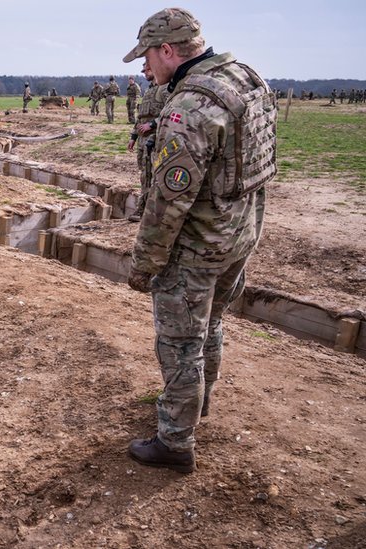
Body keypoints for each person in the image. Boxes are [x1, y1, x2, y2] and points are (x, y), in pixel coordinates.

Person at [123, 7, 276, 473]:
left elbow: (169, 200)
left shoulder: (189, 106)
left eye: (148, 55)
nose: (145, 65)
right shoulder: (246, 79)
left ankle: (175, 442)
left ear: (168, 50)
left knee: (180, 343)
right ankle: (198, 404)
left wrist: (144, 263)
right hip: (240, 235)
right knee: (211, 325)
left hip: (197, 245)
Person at [127, 60, 170, 222]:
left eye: (147, 70)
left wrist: (152, 125)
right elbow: (140, 117)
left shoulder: (166, 89)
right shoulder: (149, 91)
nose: (144, 73)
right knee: (144, 175)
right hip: (142, 141)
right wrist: (133, 137)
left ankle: (146, 209)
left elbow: (171, 113)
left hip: (155, 140)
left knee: (152, 175)